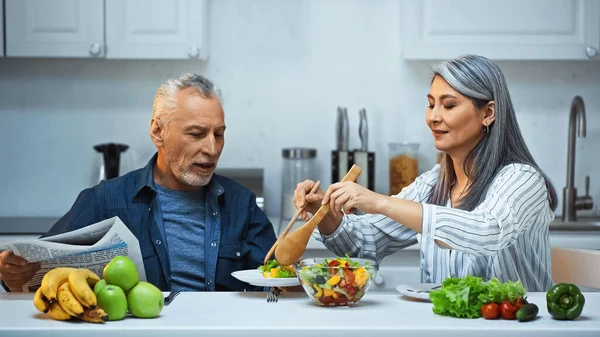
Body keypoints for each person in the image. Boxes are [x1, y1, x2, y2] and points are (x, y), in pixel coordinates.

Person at [294, 54, 558, 292]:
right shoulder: (434, 183)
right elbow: (366, 242)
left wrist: (381, 202)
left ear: (488, 113)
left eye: (449, 105)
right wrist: (323, 213)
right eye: (431, 105)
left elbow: (486, 231)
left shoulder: (522, 179)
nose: (433, 117)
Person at [0, 73, 277, 292]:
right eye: (196, 134)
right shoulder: (104, 200)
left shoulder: (243, 203)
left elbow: (279, 279)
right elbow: (33, 271)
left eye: (219, 134)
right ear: (158, 131)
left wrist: (320, 221)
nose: (212, 148)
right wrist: (12, 275)